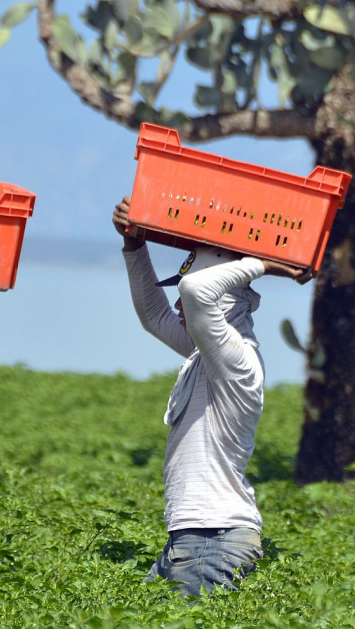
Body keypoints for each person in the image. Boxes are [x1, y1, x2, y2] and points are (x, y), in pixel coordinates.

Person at [111, 196, 310, 597]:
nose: (179, 304)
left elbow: (197, 292)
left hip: (213, 539)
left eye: (185, 298)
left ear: (225, 299)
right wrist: (134, 244)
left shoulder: (239, 360)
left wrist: (265, 265)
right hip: (194, 538)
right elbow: (154, 315)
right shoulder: (206, 355)